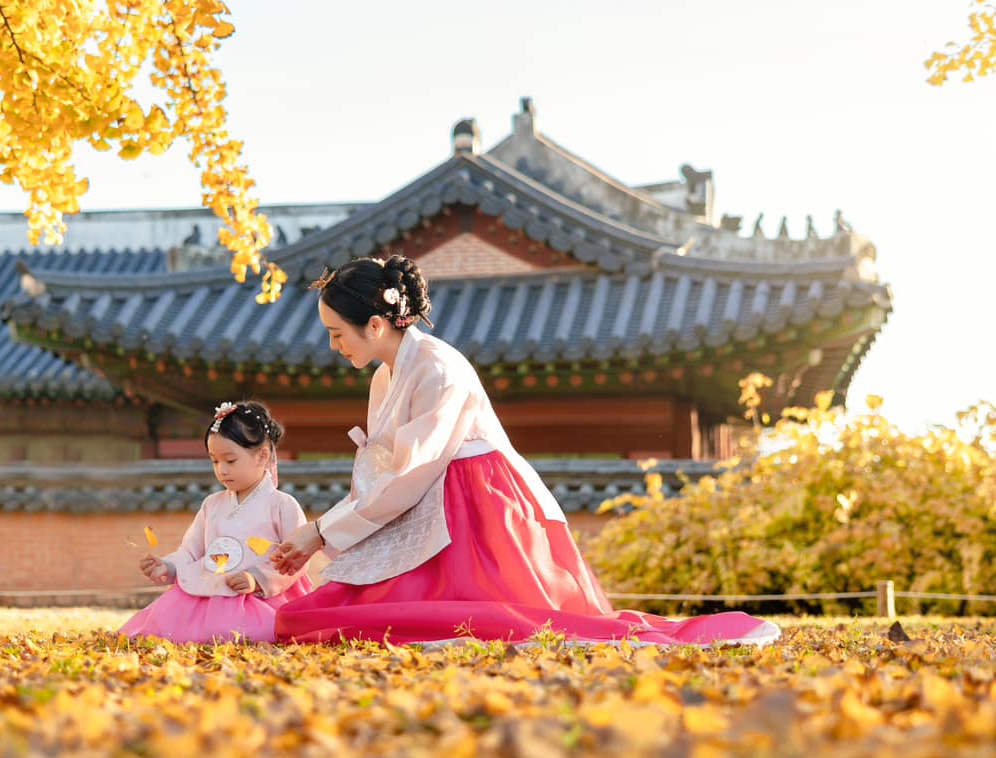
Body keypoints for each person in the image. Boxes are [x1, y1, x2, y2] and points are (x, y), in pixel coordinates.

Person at [269, 255, 780, 647]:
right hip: (431, 495)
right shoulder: (387, 374)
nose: (334, 346)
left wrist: (322, 530)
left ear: (376, 325)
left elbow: (411, 473)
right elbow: (395, 472)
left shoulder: (437, 367)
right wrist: (326, 529)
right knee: (312, 619)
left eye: (337, 333)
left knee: (470, 620)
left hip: (474, 501)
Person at [120, 400, 312, 643]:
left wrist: (257, 579)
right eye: (215, 461)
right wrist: (168, 566)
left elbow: (297, 558)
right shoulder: (212, 504)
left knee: (241, 632)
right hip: (207, 593)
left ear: (263, 456)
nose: (222, 470)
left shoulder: (282, 505)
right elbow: (191, 552)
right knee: (161, 627)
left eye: (230, 461)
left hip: (261, 597)